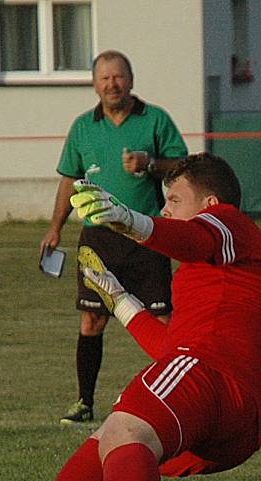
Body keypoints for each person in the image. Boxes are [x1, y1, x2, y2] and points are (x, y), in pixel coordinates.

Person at [6, 153, 261, 481]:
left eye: (174, 199)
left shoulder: (228, 223)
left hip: (214, 377)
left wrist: (127, 219)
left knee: (125, 428)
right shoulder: (220, 274)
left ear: (210, 202)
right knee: (109, 440)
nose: (166, 210)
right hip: (239, 415)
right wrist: (119, 300)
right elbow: (171, 353)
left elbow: (190, 239)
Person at [40, 49, 187, 424]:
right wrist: (55, 227)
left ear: (131, 80)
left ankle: (181, 397)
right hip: (98, 240)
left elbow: (185, 167)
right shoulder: (82, 127)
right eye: (104, 78)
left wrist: (150, 164)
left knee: (163, 321)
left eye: (118, 77)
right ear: (94, 85)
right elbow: (69, 180)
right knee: (91, 322)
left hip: (146, 236)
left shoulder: (155, 120)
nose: (112, 84)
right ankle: (84, 402)